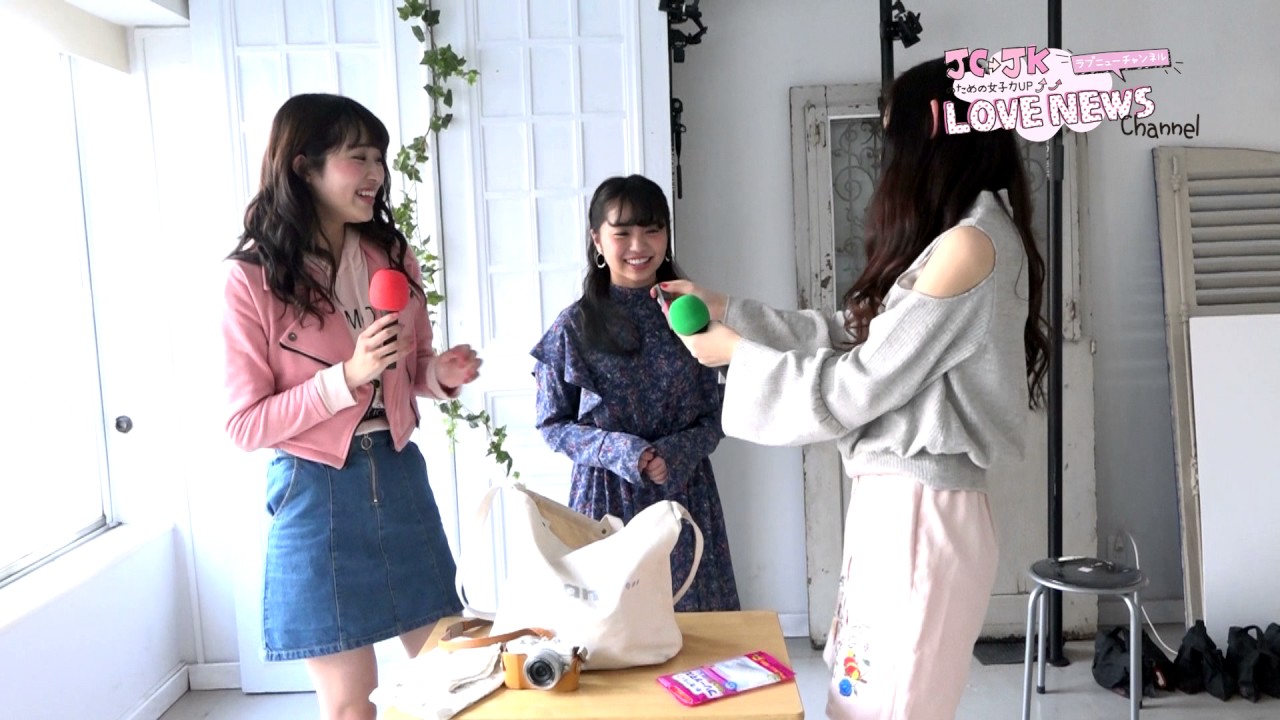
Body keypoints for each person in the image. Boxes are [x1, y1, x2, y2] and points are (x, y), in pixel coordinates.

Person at [663, 58, 1049, 720]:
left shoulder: (970, 246)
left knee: (885, 707)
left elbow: (857, 383)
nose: (888, 157)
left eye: (893, 136)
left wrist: (734, 355)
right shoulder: (962, 237)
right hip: (902, 505)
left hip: (918, 512)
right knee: (861, 699)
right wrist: (729, 311)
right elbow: (853, 334)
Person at [221, 93, 482, 720]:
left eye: (380, 159)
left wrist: (436, 374)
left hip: (397, 474)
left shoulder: (392, 258)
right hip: (314, 492)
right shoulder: (251, 279)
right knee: (349, 706)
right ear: (304, 167)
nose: (377, 174)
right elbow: (244, 424)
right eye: (358, 158)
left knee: (458, 678)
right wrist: (346, 376)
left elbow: (409, 368)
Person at [530, 174, 740, 612]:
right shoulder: (574, 326)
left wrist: (675, 453)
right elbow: (552, 425)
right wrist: (623, 451)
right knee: (614, 630)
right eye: (622, 232)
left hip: (685, 494)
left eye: (652, 229)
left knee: (696, 629)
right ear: (597, 239)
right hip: (606, 502)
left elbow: (719, 414)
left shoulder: (692, 316)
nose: (638, 245)